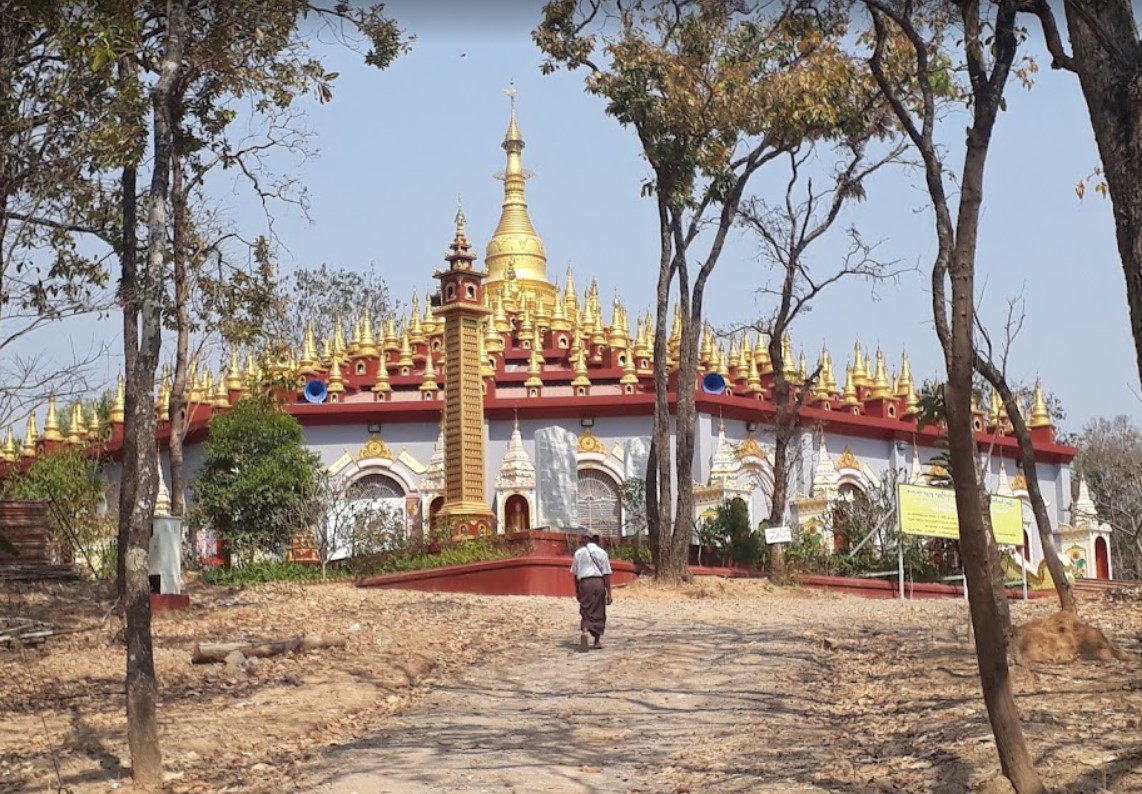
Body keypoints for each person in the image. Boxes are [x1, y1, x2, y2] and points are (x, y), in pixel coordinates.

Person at [570, 532, 612, 650]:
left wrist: (577, 590)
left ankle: (585, 631)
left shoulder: (579, 553)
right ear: (597, 540)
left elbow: (575, 574)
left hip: (585, 583)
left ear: (586, 540)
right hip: (598, 583)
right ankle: (597, 641)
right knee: (599, 609)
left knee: (586, 608)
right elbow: (606, 574)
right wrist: (609, 592)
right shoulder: (602, 553)